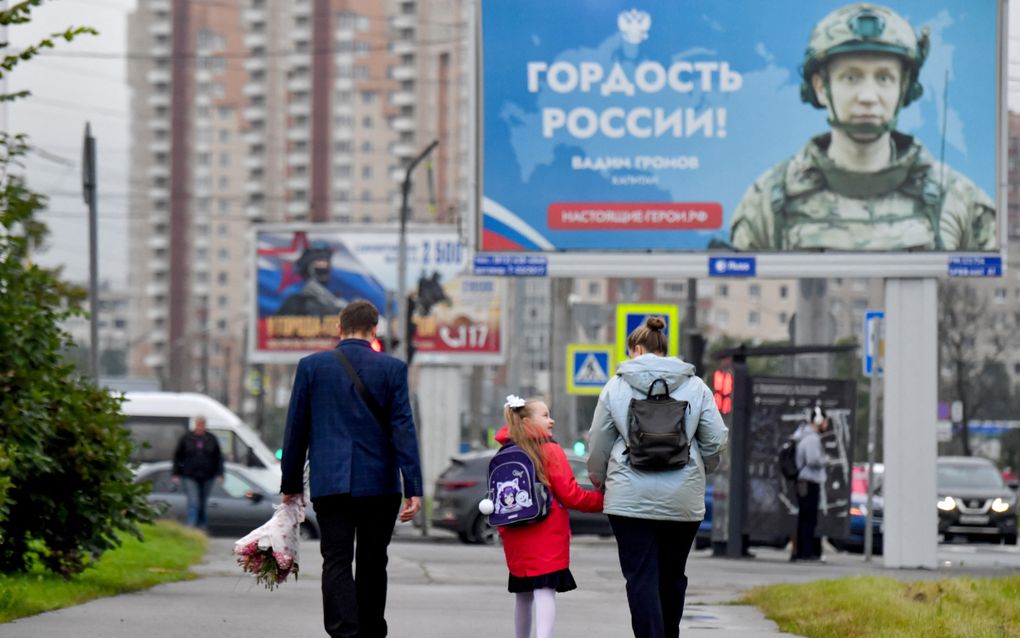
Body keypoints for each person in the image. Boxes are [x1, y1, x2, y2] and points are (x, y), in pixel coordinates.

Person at [729, 2, 996, 251]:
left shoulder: (958, 199)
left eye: (884, 78)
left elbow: (993, 288)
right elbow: (738, 293)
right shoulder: (770, 200)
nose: (868, 96)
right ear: (821, 88)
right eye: (851, 77)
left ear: (903, 89)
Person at [280, 300, 423, 638]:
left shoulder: (311, 367)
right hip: (380, 485)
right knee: (374, 559)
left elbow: (296, 429)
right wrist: (413, 487)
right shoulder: (393, 369)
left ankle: (344, 632)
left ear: (338, 328)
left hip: (331, 483)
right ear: (375, 330)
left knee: (337, 559)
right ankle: (371, 630)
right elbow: (404, 429)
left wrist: (290, 485)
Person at [587, 316, 728, 638]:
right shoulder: (696, 386)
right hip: (683, 498)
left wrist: (599, 478)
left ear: (636, 348)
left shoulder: (616, 385)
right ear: (663, 348)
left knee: (641, 577)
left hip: (628, 499)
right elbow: (716, 438)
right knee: (672, 576)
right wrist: (702, 468)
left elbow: (598, 441)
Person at [494, 395, 604, 638]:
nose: (551, 420)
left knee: (523, 595)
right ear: (526, 422)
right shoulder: (549, 451)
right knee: (544, 591)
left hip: (514, 534)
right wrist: (604, 501)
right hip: (546, 534)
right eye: (544, 415)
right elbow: (572, 495)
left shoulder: (506, 451)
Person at [171, 415, 224, 531]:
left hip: (208, 475)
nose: (200, 427)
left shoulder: (211, 439)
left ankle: (201, 528)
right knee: (194, 502)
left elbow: (218, 457)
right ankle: (191, 528)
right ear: (195, 424)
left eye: (202, 424)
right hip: (190, 475)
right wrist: (175, 473)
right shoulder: (186, 438)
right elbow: (178, 456)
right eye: (198, 424)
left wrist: (220, 473)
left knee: (203, 503)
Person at [791, 405, 829, 562]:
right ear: (818, 420)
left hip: (803, 482)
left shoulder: (803, 435)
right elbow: (812, 460)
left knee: (804, 517)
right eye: (825, 421)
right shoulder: (812, 438)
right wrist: (825, 460)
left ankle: (802, 551)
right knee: (808, 519)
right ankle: (806, 552)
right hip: (809, 482)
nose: (826, 425)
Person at [277, 242, 347, 316]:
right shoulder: (294, 297)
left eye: (326, 262)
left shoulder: (334, 298)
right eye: (319, 262)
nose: (323, 266)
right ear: (308, 266)